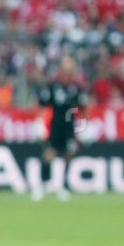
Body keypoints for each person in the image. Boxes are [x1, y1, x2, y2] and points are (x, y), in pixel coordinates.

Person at [33, 55, 86, 202]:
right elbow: (43, 105)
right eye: (66, 68)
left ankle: (63, 186)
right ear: (62, 69)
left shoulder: (77, 87)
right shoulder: (53, 85)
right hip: (55, 125)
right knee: (49, 154)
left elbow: (82, 108)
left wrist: (85, 126)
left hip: (69, 126)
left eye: (71, 68)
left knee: (69, 155)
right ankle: (43, 185)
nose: (68, 71)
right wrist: (38, 122)